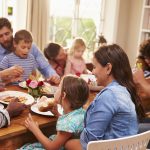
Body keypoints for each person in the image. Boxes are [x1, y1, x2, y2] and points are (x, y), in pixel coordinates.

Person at [65, 44, 145, 150]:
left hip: (105, 147)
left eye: (94, 67)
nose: (92, 72)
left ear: (108, 68)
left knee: (66, 143)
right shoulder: (123, 89)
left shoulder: (109, 96)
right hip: (122, 146)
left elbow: (91, 142)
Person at [19, 75, 89, 150]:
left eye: (59, 87)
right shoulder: (81, 112)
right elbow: (70, 128)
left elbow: (52, 147)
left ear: (63, 95)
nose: (56, 90)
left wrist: (35, 130)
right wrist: (57, 115)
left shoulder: (67, 124)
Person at [0, 17, 60, 84]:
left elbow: (45, 67)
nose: (5, 38)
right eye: (0, 36)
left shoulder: (30, 47)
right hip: (6, 90)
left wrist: (54, 76)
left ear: (12, 31)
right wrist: (3, 73)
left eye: (7, 34)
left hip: (28, 90)